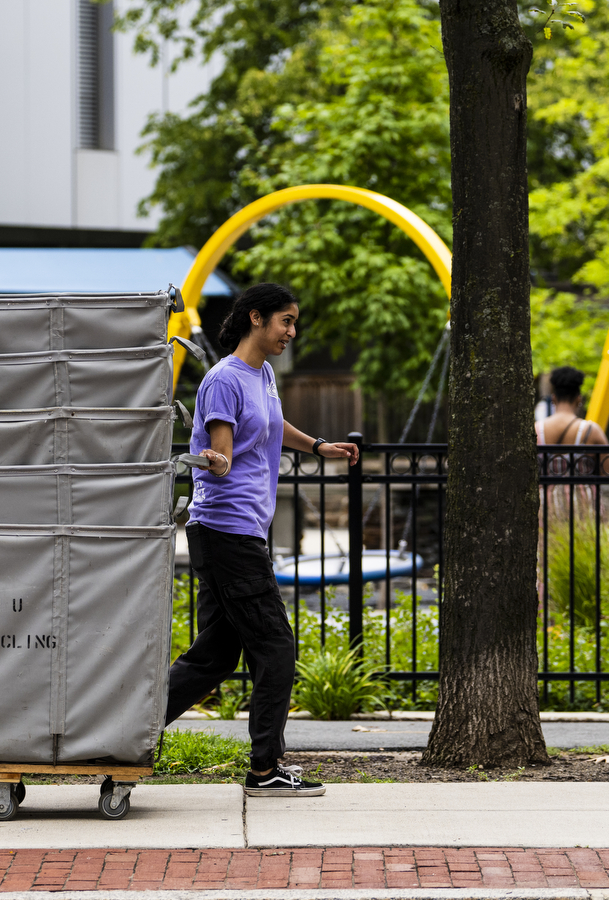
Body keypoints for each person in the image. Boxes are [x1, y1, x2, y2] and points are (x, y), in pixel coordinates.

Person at [166, 283, 358, 798]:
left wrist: (318, 446)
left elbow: (273, 424)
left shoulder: (263, 374)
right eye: (286, 322)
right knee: (276, 647)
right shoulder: (223, 380)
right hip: (226, 531)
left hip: (238, 532)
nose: (292, 332)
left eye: (295, 323)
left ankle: (122, 733)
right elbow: (220, 450)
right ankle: (264, 768)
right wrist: (215, 461)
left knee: (214, 657)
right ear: (256, 318)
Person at [535, 366, 609, 476]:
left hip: (545, 493)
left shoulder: (536, 429)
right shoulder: (591, 430)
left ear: (554, 398)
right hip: (580, 493)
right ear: (579, 399)